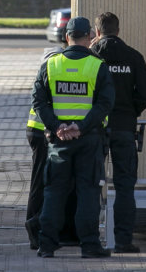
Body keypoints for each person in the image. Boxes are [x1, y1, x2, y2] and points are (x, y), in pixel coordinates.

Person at [32, 16, 114, 258]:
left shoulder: (51, 65)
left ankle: (46, 245)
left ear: (67, 37)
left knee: (54, 193)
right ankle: (89, 245)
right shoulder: (98, 66)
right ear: (89, 38)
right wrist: (81, 127)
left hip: (59, 141)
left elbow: (39, 101)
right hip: (88, 141)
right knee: (88, 193)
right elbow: (105, 104)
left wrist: (57, 127)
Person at [90, 12, 146, 253]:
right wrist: (130, 112)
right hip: (125, 127)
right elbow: (144, 95)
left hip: (96, 128)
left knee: (91, 183)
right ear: (118, 30)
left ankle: (90, 238)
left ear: (97, 32)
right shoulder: (134, 57)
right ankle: (124, 241)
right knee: (125, 185)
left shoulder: (93, 56)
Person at [25, 33, 78, 250]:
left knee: (44, 180)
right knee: (45, 182)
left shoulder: (51, 60)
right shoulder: (55, 63)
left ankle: (40, 227)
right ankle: (35, 228)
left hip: (39, 130)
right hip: (43, 130)